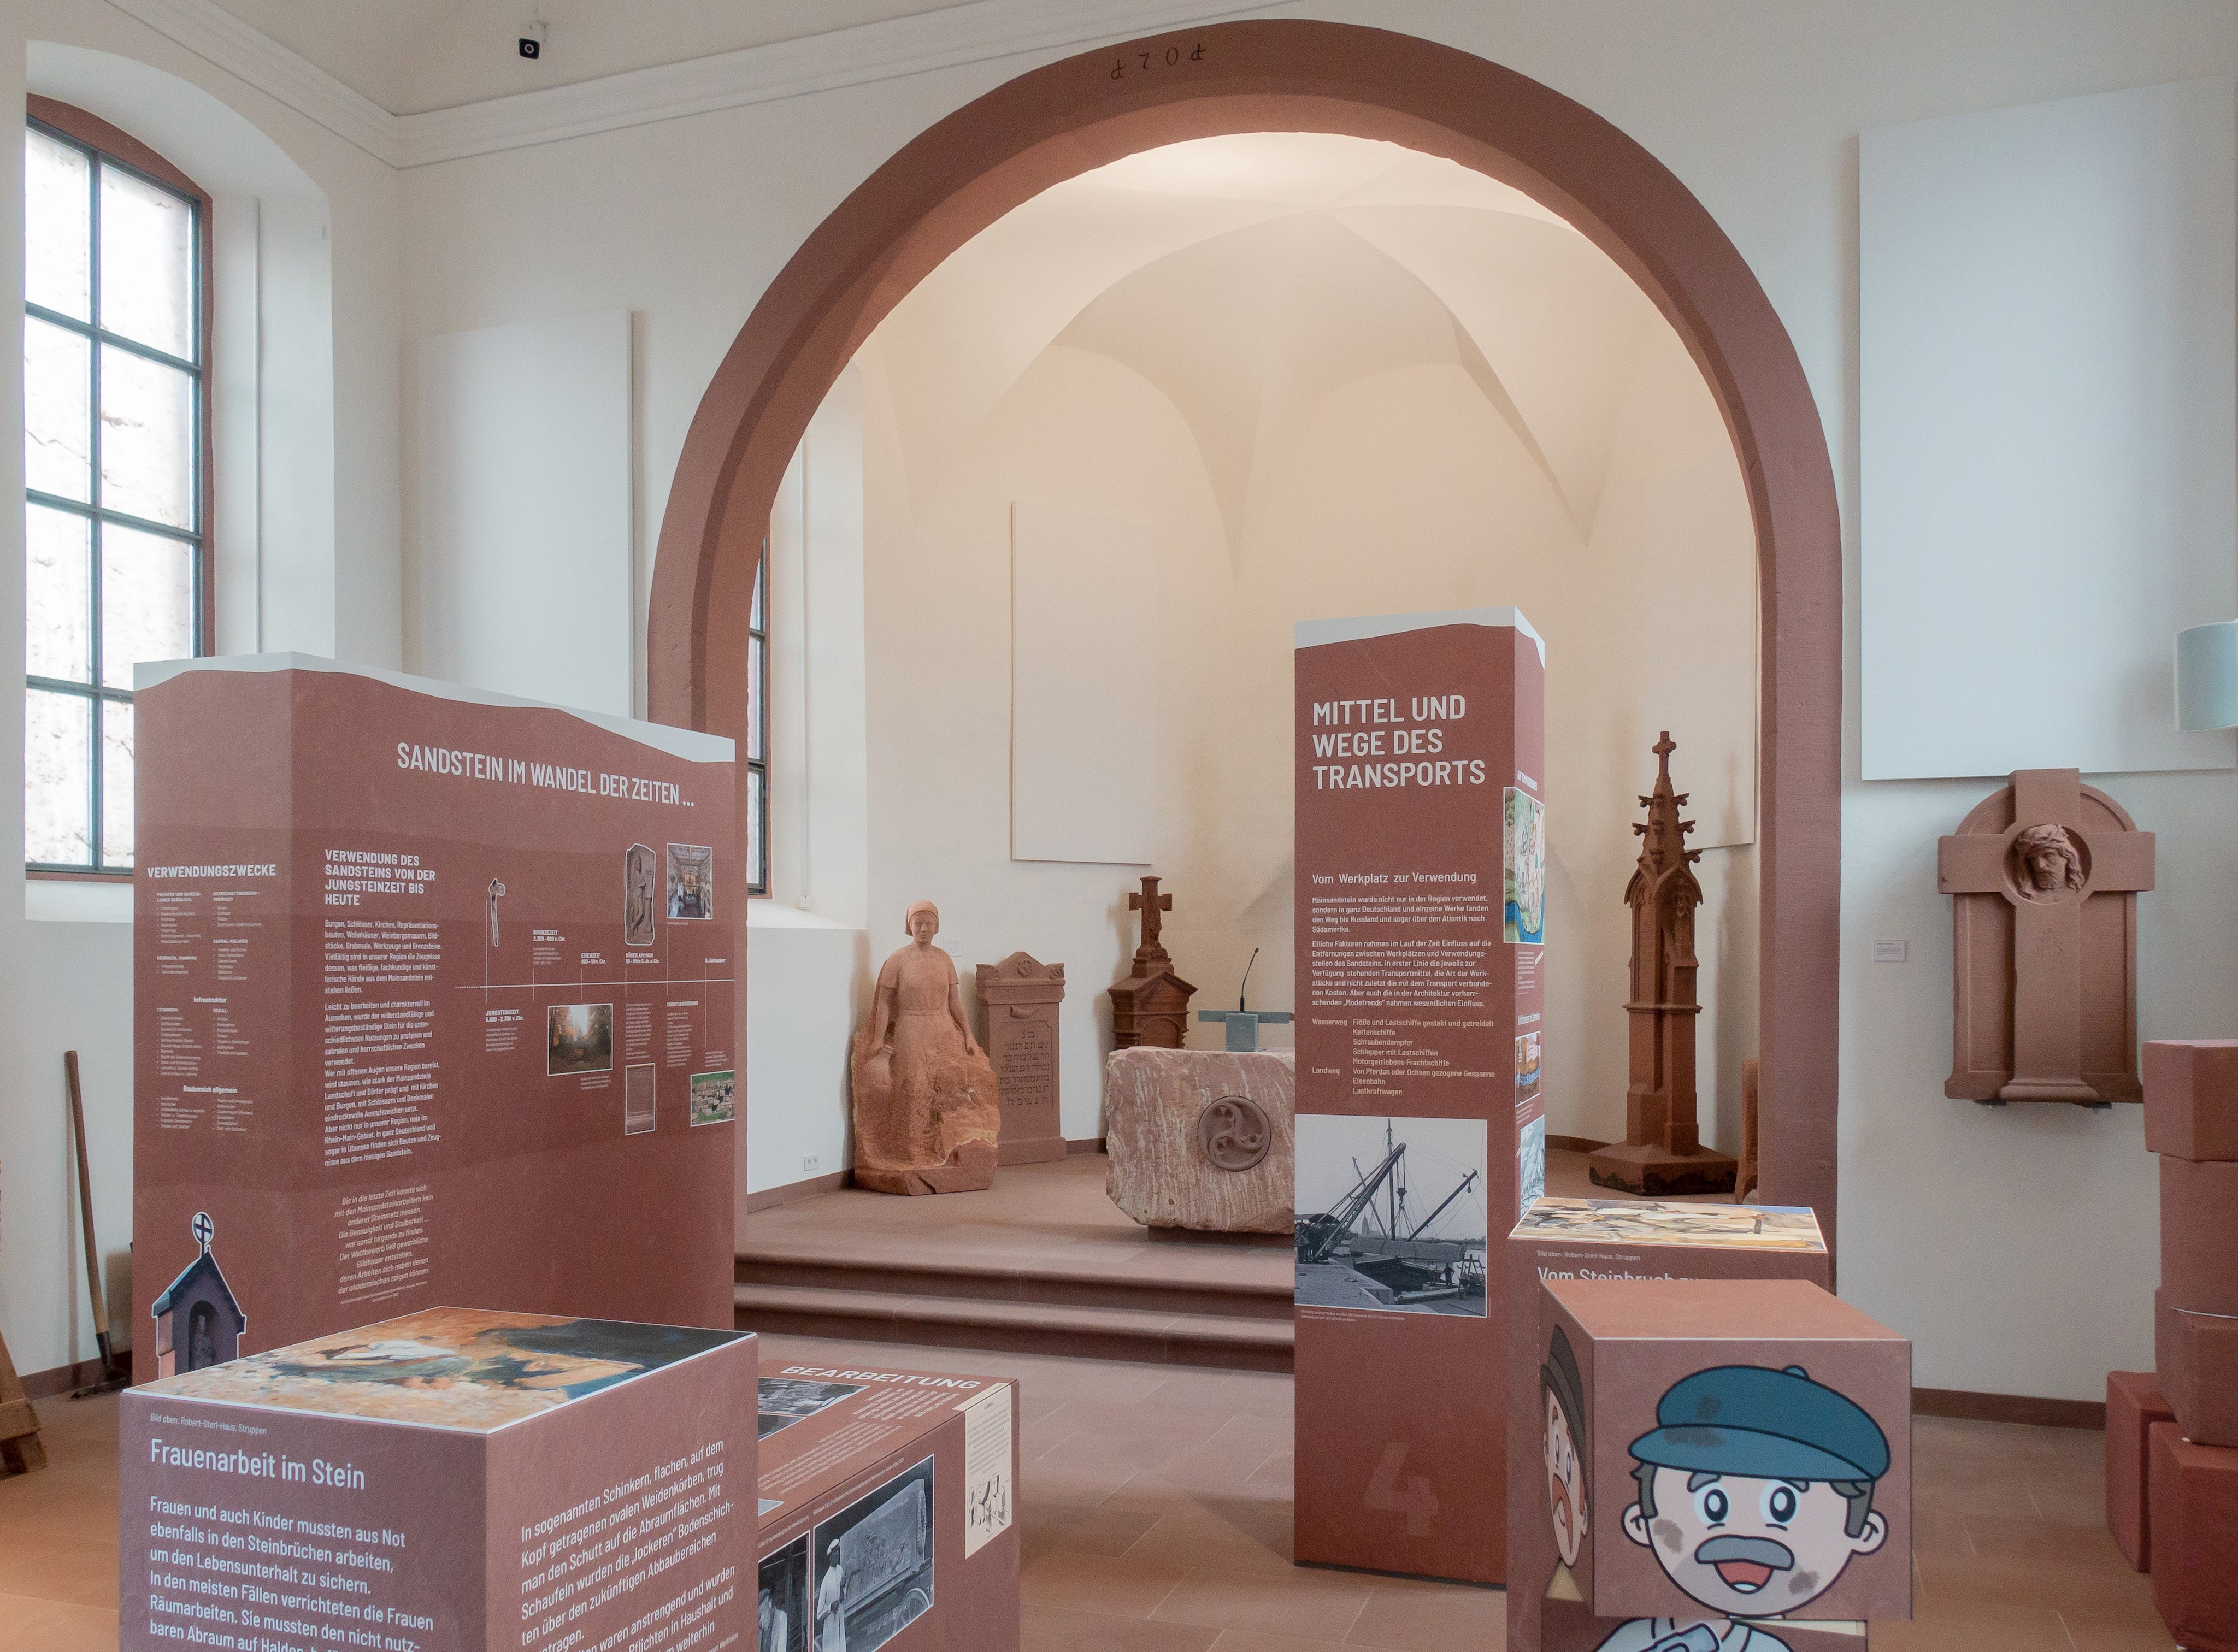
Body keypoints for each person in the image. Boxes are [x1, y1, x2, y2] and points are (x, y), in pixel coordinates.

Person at [1596, 1364, 1892, 1652]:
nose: (1745, 1536)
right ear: (1640, 1523)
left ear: (1865, 1533)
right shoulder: (1632, 1639)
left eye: (1783, 1507)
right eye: (1714, 1506)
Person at [815, 1541, 847, 1652]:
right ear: (830, 1556)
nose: (837, 1554)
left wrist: (843, 1589)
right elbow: (819, 1615)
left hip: (840, 1619)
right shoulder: (826, 1580)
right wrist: (830, 1607)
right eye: (834, 1552)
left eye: (838, 1551)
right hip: (831, 1626)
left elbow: (842, 1598)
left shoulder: (841, 1570)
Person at [757, 1584, 787, 1651]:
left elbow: (782, 1649)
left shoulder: (781, 1617)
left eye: (760, 1617)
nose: (759, 1623)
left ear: (769, 1604)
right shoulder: (758, 1629)